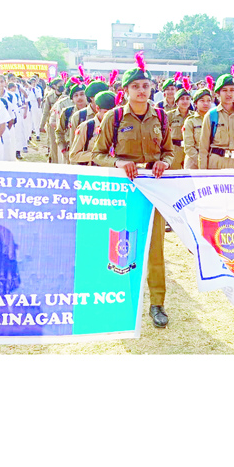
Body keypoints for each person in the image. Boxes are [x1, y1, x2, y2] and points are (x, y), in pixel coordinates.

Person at [91, 55, 173, 329]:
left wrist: (164, 161)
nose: (141, 90)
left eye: (146, 86)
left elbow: (169, 151)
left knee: (156, 248)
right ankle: (124, 297)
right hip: (125, 188)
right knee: (124, 244)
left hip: (154, 188)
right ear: (125, 90)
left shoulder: (160, 116)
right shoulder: (114, 117)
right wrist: (119, 162)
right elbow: (98, 154)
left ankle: (157, 303)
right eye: (136, 86)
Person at [199, 66, 234, 170]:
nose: (228, 94)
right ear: (218, 93)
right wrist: (203, 173)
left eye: (232, 90)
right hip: (216, 163)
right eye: (224, 90)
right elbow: (203, 149)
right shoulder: (211, 115)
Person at [69, 90, 116, 165]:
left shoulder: (120, 125)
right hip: (93, 172)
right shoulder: (87, 127)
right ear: (97, 109)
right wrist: (98, 156)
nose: (110, 117)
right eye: (106, 113)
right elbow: (73, 156)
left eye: (113, 113)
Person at [182, 88, 212, 169]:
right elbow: (188, 147)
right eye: (202, 101)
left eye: (208, 100)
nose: (206, 103)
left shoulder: (216, 119)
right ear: (195, 103)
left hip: (212, 162)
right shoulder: (190, 121)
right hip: (193, 163)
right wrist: (201, 162)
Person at [169, 87, 192, 170]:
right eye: (182, 99)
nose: (185, 101)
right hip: (175, 149)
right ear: (177, 101)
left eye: (187, 99)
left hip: (189, 150)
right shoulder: (169, 115)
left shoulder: (194, 116)